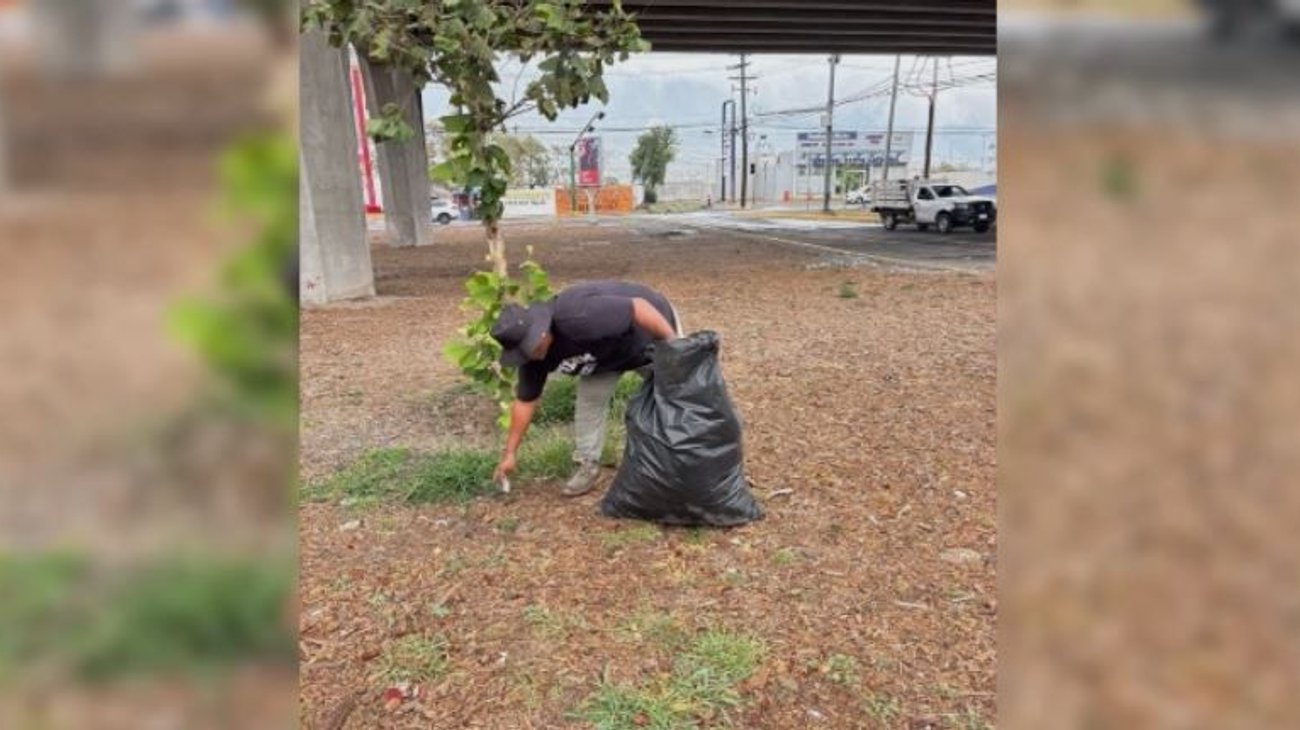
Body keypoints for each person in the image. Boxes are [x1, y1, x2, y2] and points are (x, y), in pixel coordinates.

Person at [489, 281, 684, 497]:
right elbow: (525, 401)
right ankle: (588, 465)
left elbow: (640, 308)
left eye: (529, 348)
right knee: (589, 403)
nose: (528, 356)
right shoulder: (534, 357)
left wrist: (675, 347)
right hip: (603, 359)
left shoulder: (577, 316)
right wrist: (510, 453)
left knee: (681, 393)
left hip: (648, 332)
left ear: (541, 332)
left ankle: (690, 452)